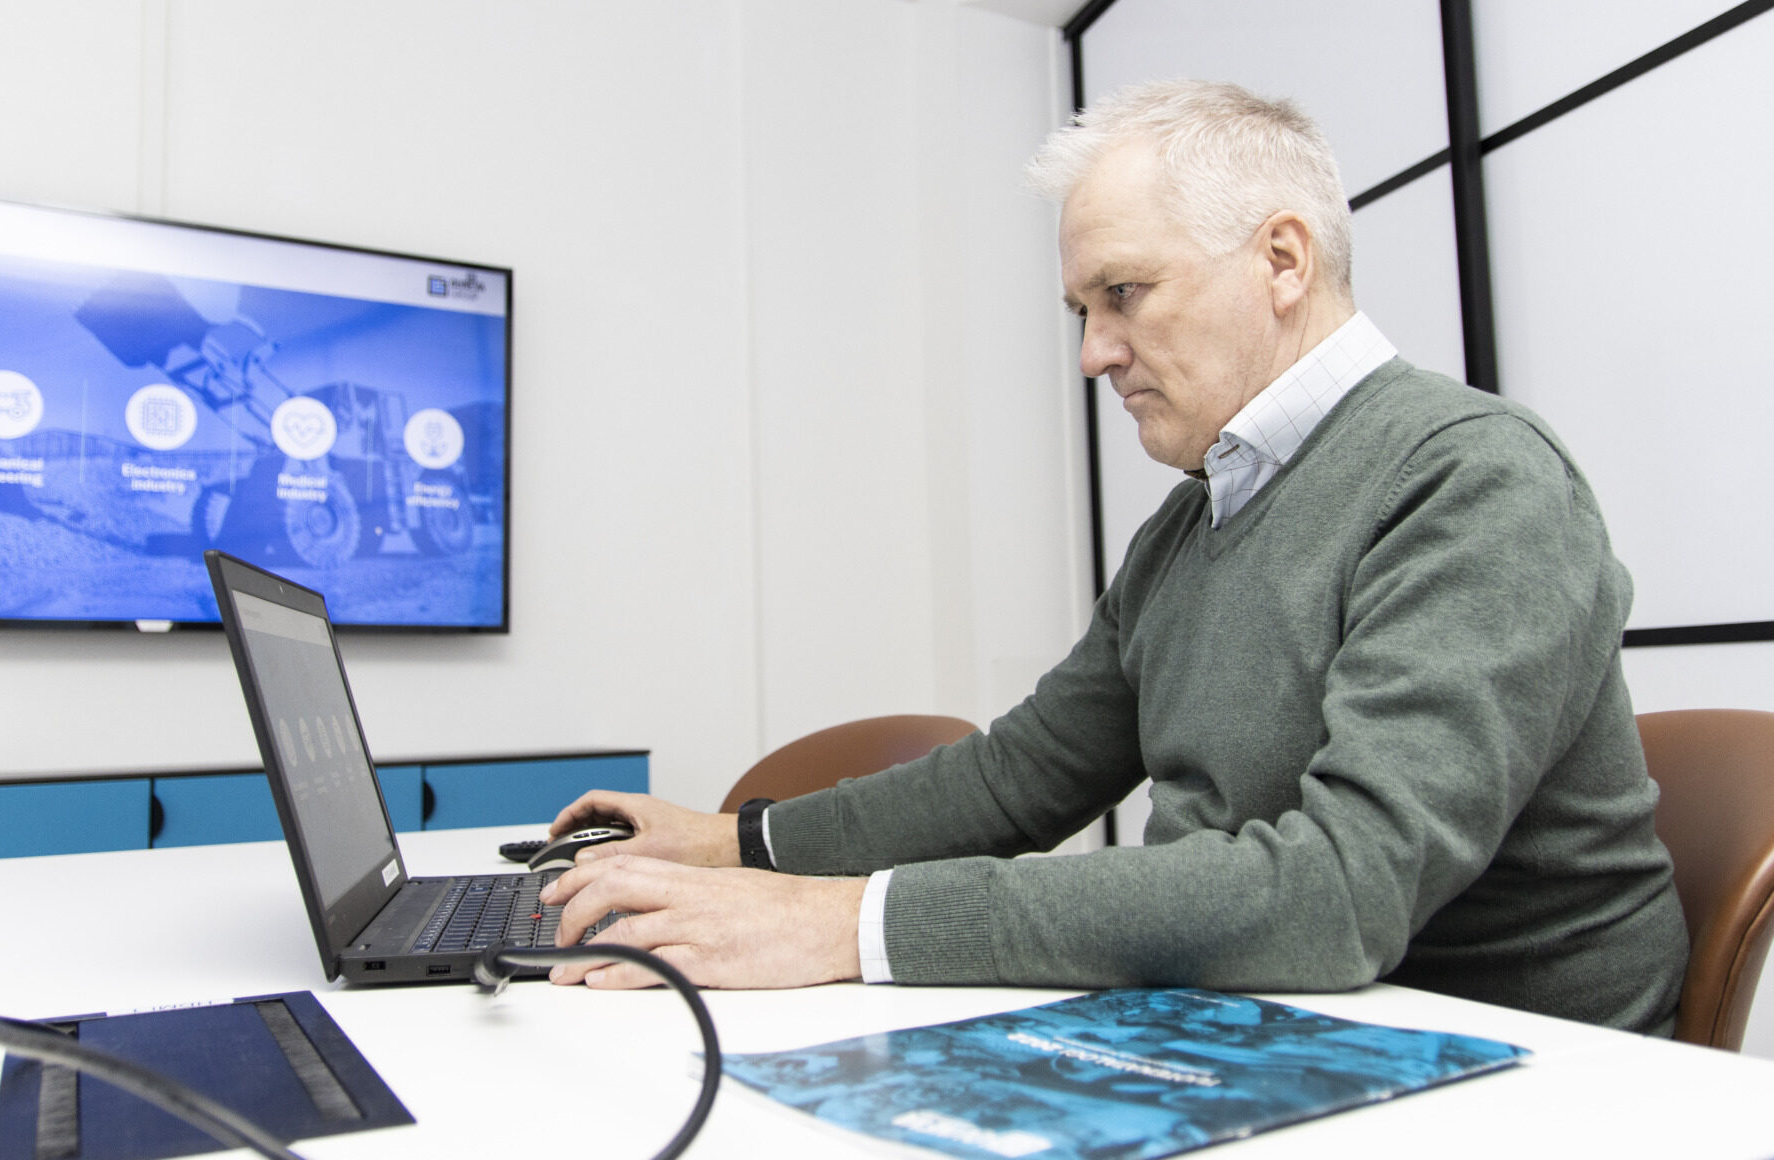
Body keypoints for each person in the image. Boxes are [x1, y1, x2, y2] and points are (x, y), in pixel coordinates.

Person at [536, 79, 1688, 1034]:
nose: (1094, 352)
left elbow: (1339, 891)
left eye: (1123, 294)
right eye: (1082, 309)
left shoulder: (1474, 477)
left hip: (1505, 1054)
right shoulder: (1191, 526)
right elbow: (1015, 779)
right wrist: (739, 842)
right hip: (1272, 1019)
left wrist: (844, 923)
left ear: (1281, 258)